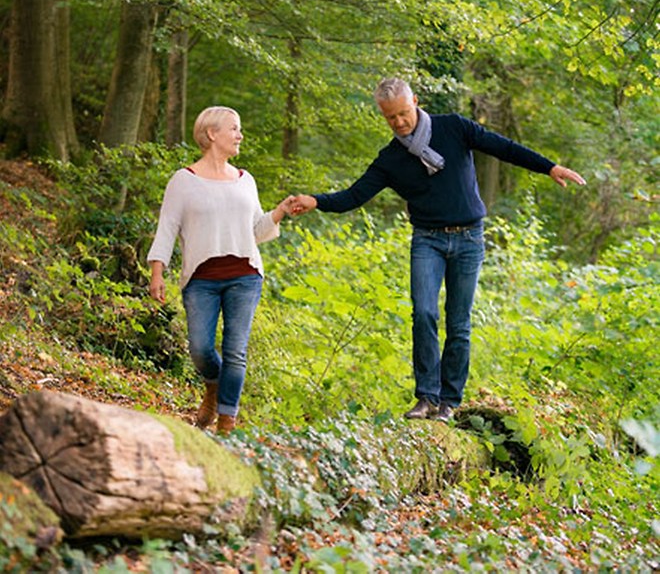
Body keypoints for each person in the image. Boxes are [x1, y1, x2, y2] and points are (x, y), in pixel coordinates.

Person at [291, 77, 586, 423]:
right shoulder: (390, 159)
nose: (399, 122)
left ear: (415, 101)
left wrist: (548, 166)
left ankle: (449, 402)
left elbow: (503, 147)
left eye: (403, 113)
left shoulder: (454, 128)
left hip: (469, 239)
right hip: (427, 240)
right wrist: (316, 201)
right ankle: (427, 397)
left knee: (458, 323)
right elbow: (353, 196)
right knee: (424, 314)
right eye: (390, 117)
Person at [147, 106, 294, 435]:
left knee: (235, 351)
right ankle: (213, 385)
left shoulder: (245, 180)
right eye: (234, 128)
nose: (240, 135)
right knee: (200, 349)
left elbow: (256, 231)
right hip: (201, 280)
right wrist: (157, 272)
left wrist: (280, 211)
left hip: (245, 276)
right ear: (212, 133)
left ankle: (227, 424)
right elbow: (167, 229)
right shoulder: (183, 181)